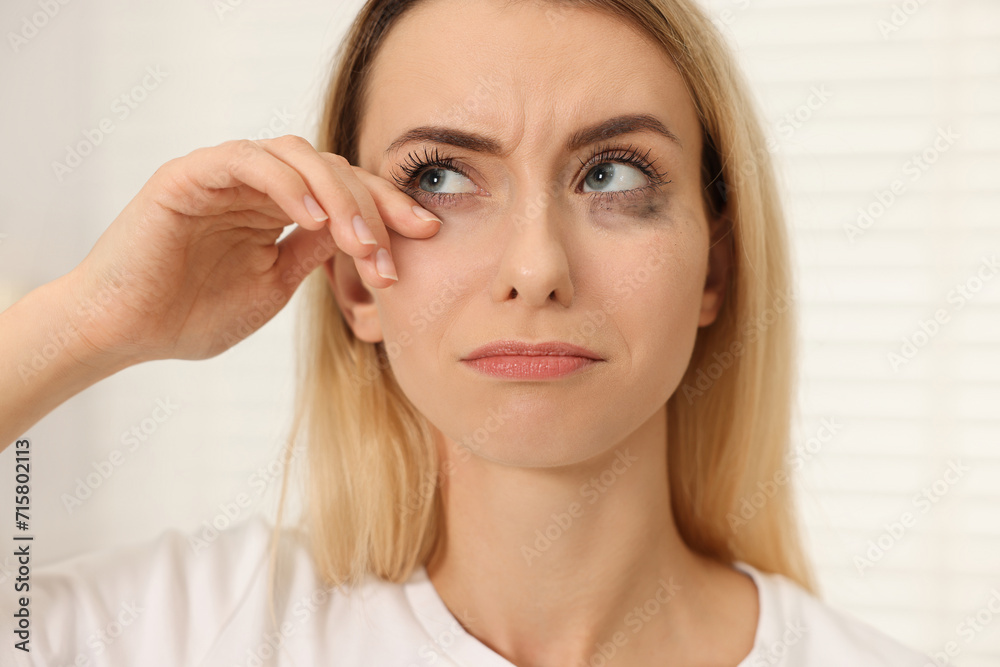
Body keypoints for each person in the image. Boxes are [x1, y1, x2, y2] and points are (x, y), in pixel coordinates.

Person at [0, 0, 933, 665]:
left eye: (611, 174)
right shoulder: (175, 632)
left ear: (716, 270)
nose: (536, 267)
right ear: (352, 279)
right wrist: (84, 321)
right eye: (441, 178)